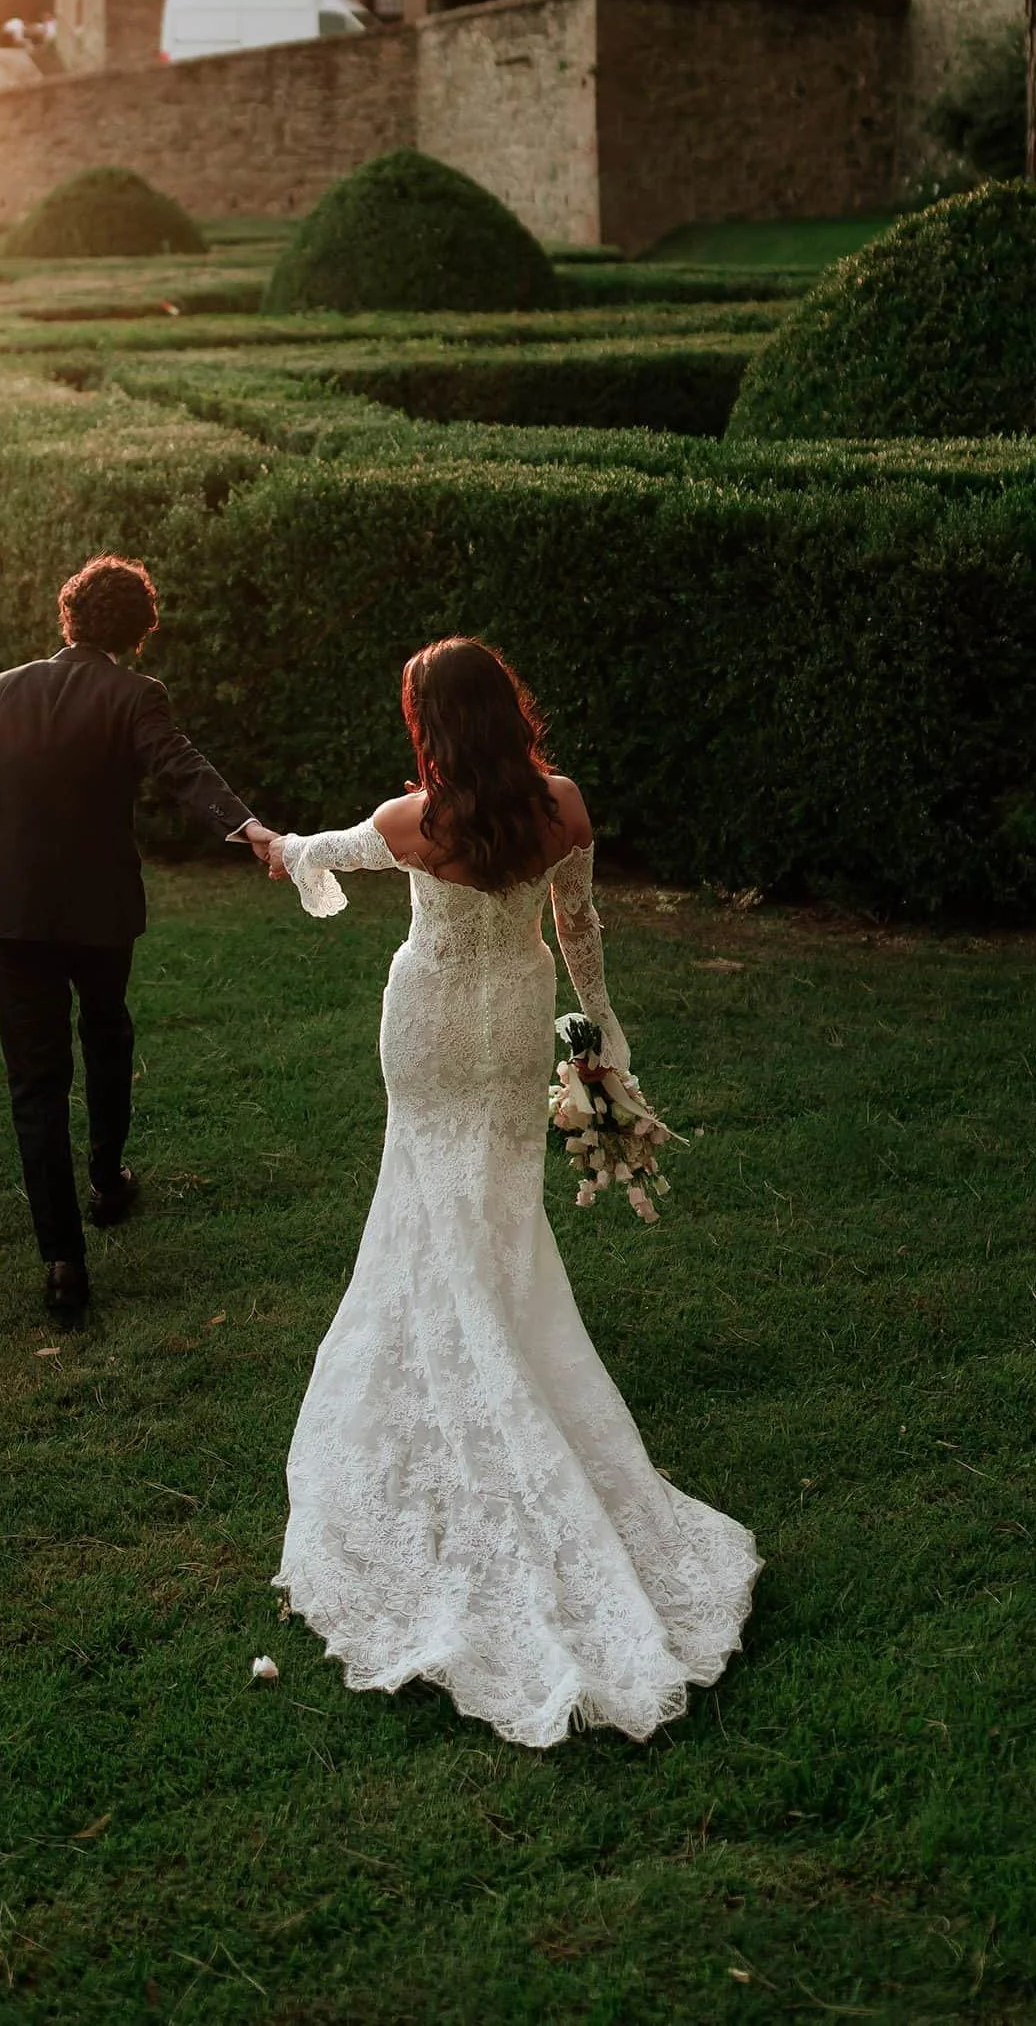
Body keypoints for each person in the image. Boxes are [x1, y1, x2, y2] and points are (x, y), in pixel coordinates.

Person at [263, 637, 760, 1748]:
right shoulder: (563, 806)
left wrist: (275, 844)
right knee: (497, 1212)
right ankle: (497, 1348)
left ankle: (472, 1375)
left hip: (429, 1031)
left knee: (425, 1205)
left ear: (428, 722)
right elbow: (577, 924)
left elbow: (320, 852)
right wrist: (600, 1030)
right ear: (507, 708)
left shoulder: (408, 822)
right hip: (506, 1031)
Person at [0, 552, 274, 1329]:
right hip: (99, 912)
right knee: (106, 1031)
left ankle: (61, 1258)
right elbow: (181, 766)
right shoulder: (136, 693)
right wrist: (247, 824)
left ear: (70, 615)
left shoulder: (0, 690)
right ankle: (106, 1176)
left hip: (13, 917)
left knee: (35, 1081)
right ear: (138, 631)